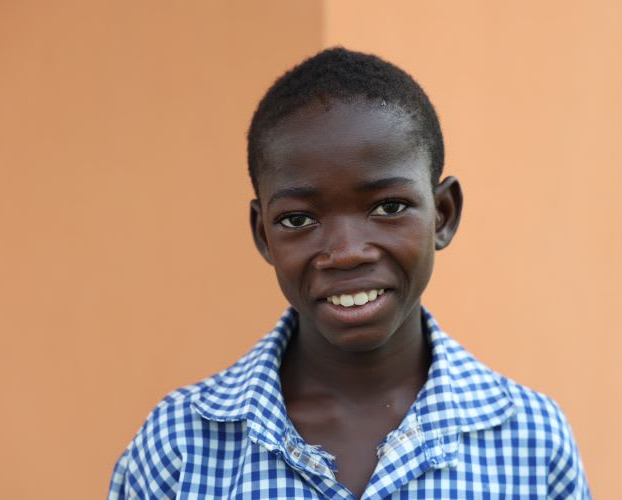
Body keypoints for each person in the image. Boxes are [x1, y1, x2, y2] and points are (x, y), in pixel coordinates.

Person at [109, 47, 591, 499]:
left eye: (389, 207)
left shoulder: (532, 442)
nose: (345, 254)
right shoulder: (179, 447)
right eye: (298, 219)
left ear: (443, 214)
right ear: (263, 235)